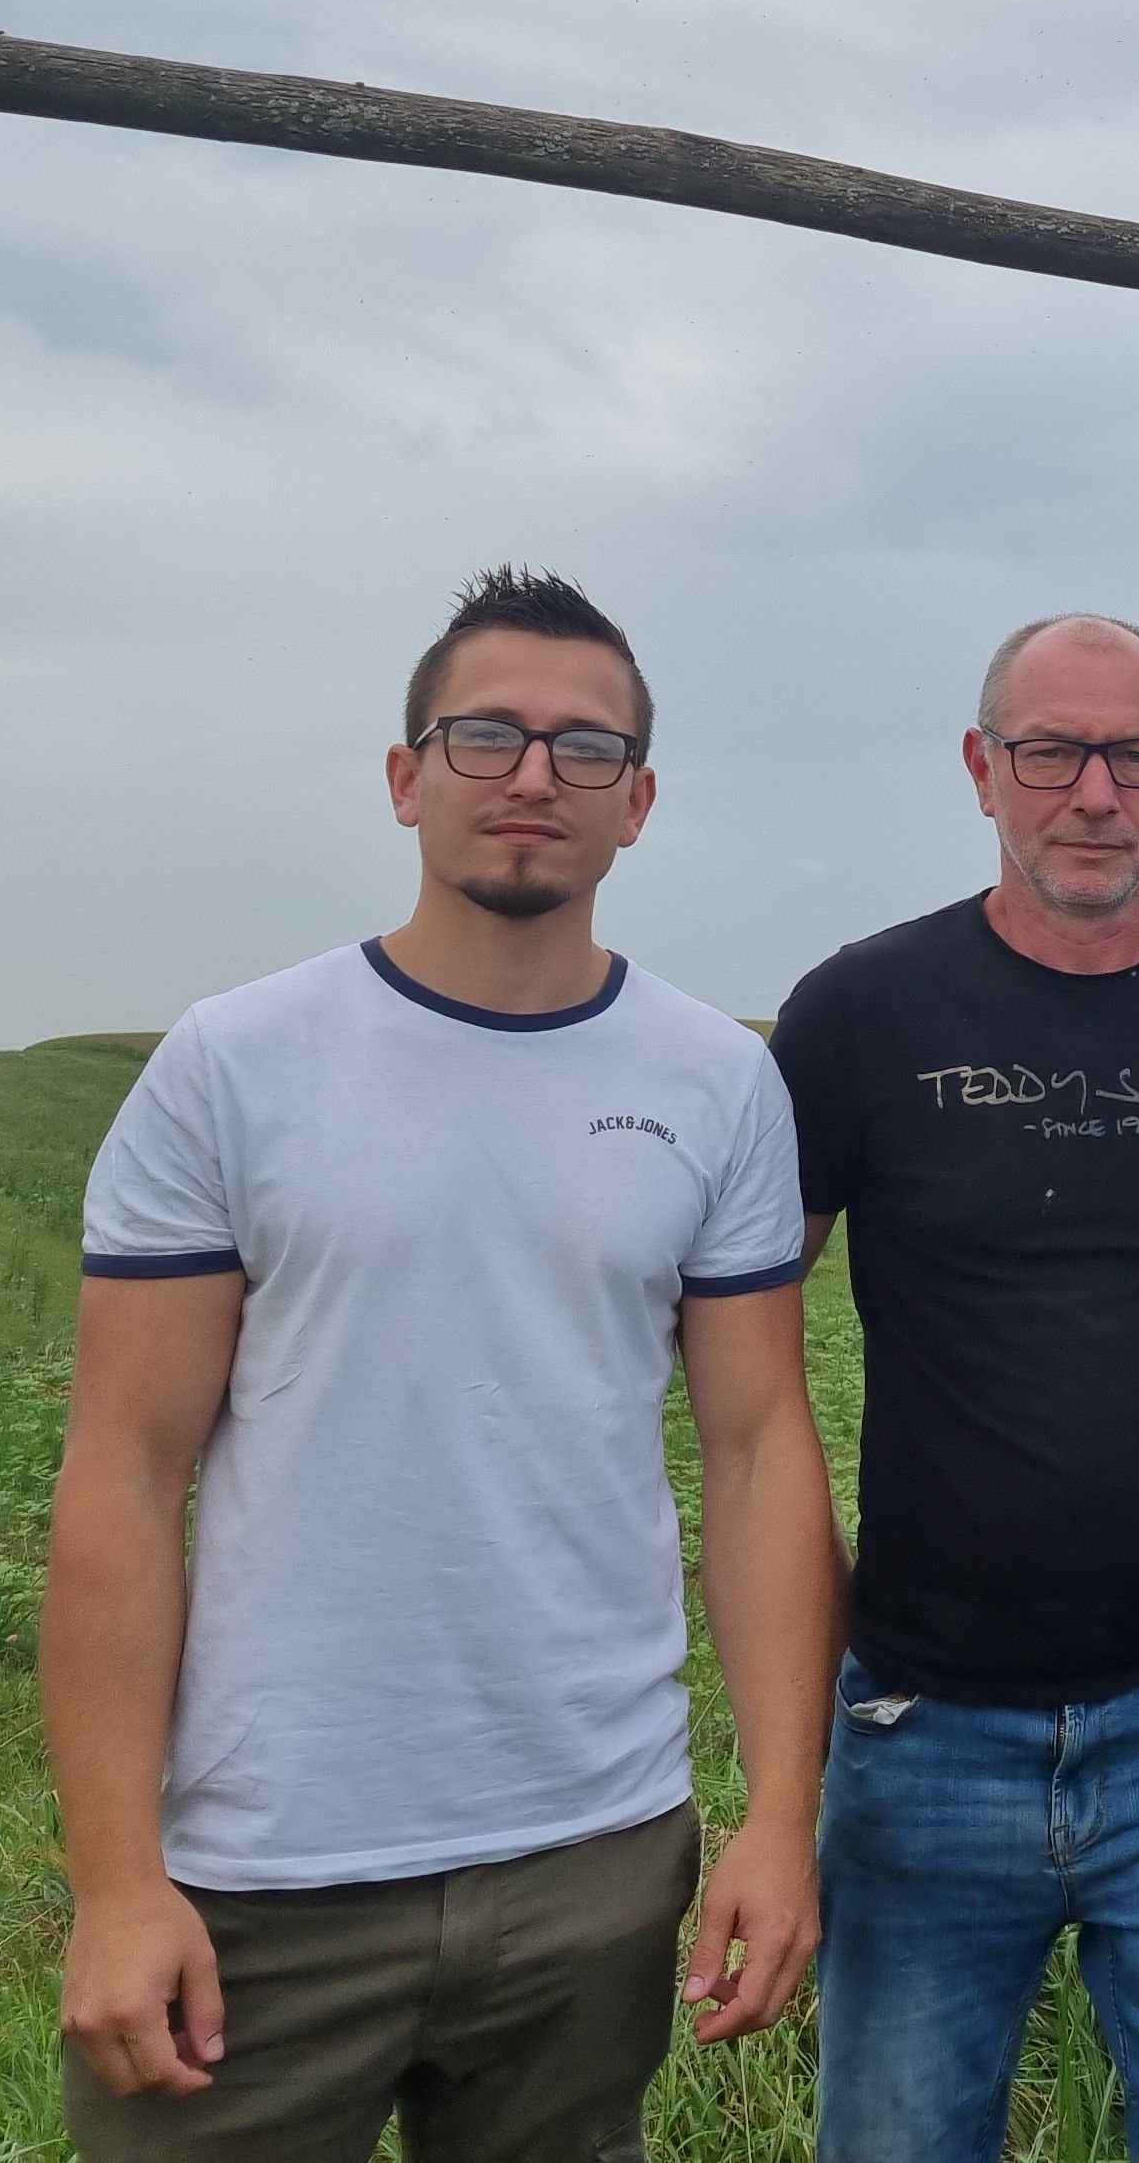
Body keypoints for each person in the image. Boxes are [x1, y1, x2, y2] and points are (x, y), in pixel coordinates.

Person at [44, 566, 834, 2156]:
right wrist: (121, 1880)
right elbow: (127, 1469)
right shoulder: (237, 1065)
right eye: (486, 736)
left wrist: (777, 1817)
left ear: (641, 803)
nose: (535, 775)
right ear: (406, 778)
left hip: (593, 1854)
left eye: (585, 748)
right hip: (262, 1870)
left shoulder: (715, 1082)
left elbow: (758, 1450)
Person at [770, 613, 1139, 2163]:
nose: (1093, 793)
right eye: (1051, 753)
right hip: (924, 1724)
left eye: (1135, 756)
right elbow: (733, 1338)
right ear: (982, 769)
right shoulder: (860, 1014)